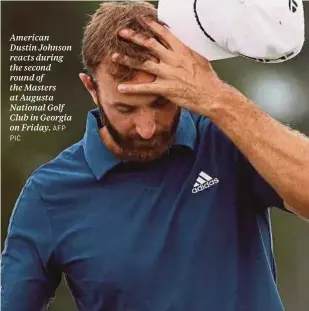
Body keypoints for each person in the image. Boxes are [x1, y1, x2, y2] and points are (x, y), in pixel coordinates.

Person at [1, 2, 309, 311]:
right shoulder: (48, 193)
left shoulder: (225, 137)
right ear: (91, 89)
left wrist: (217, 97)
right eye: (125, 108)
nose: (147, 128)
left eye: (161, 102)